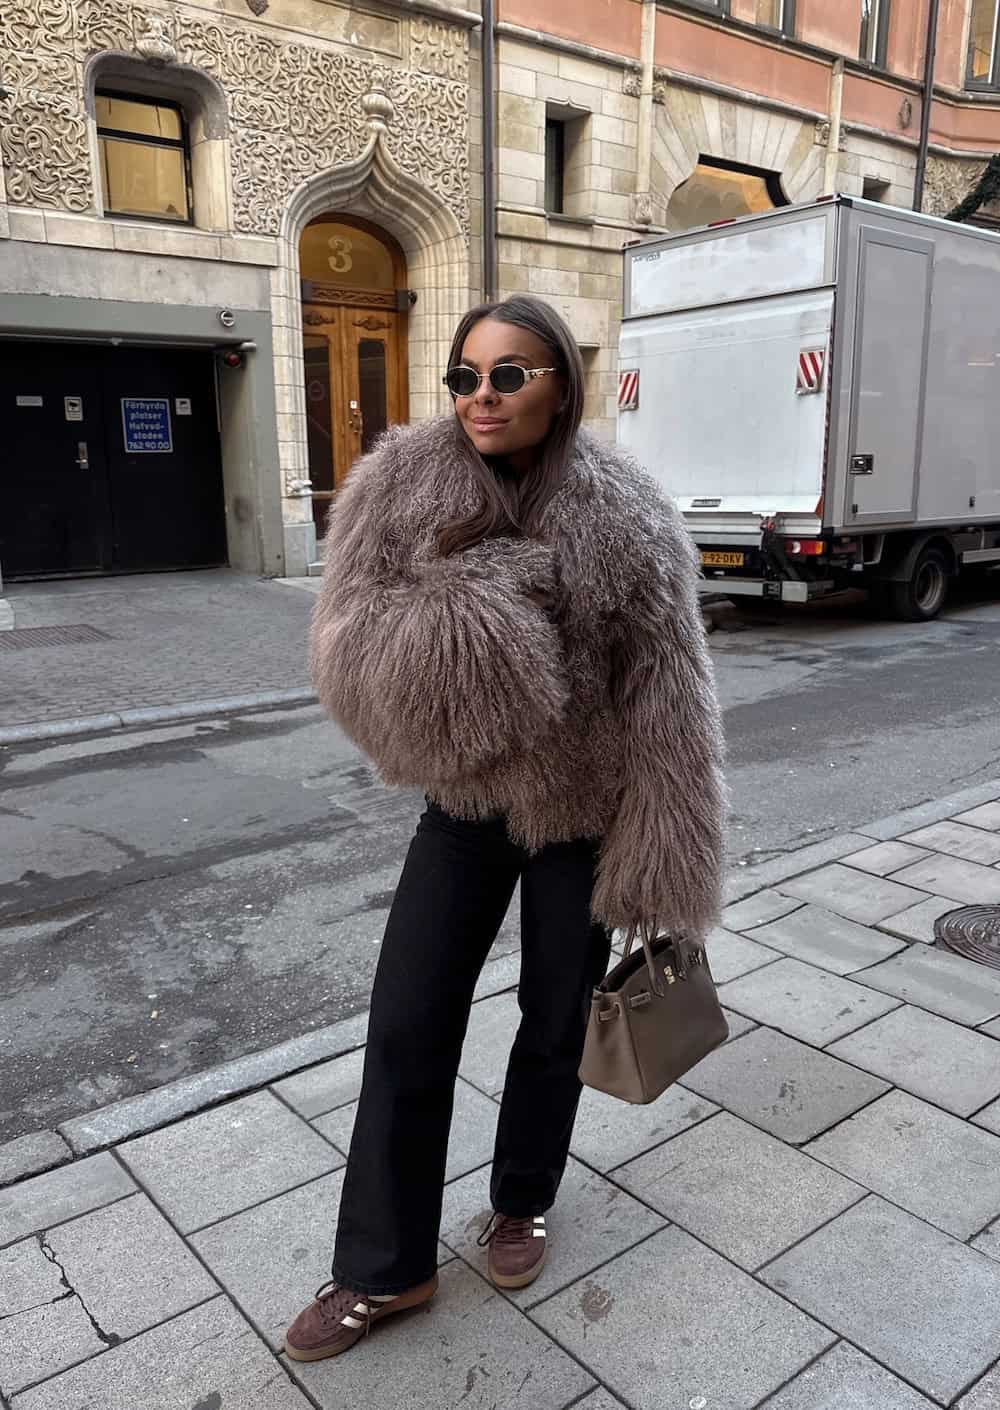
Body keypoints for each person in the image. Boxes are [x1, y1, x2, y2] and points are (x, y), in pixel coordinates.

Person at [284, 294, 725, 1362]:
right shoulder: (400, 482)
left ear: (560, 384)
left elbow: (666, 689)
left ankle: (523, 1198)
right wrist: (483, 603)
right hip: (463, 804)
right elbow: (346, 650)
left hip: (583, 814)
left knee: (549, 1020)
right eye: (464, 377)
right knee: (405, 1024)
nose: (480, 397)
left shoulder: (623, 507)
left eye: (507, 375)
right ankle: (381, 1271)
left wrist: (660, 853)